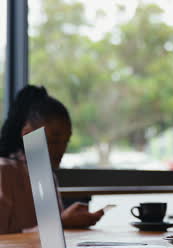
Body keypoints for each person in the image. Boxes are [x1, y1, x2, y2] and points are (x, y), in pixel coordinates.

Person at [0, 85, 104, 234]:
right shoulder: (4, 171)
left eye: (66, 141)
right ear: (27, 134)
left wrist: (69, 221)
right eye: (54, 141)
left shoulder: (46, 175)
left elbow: (52, 237)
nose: (60, 149)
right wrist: (61, 221)